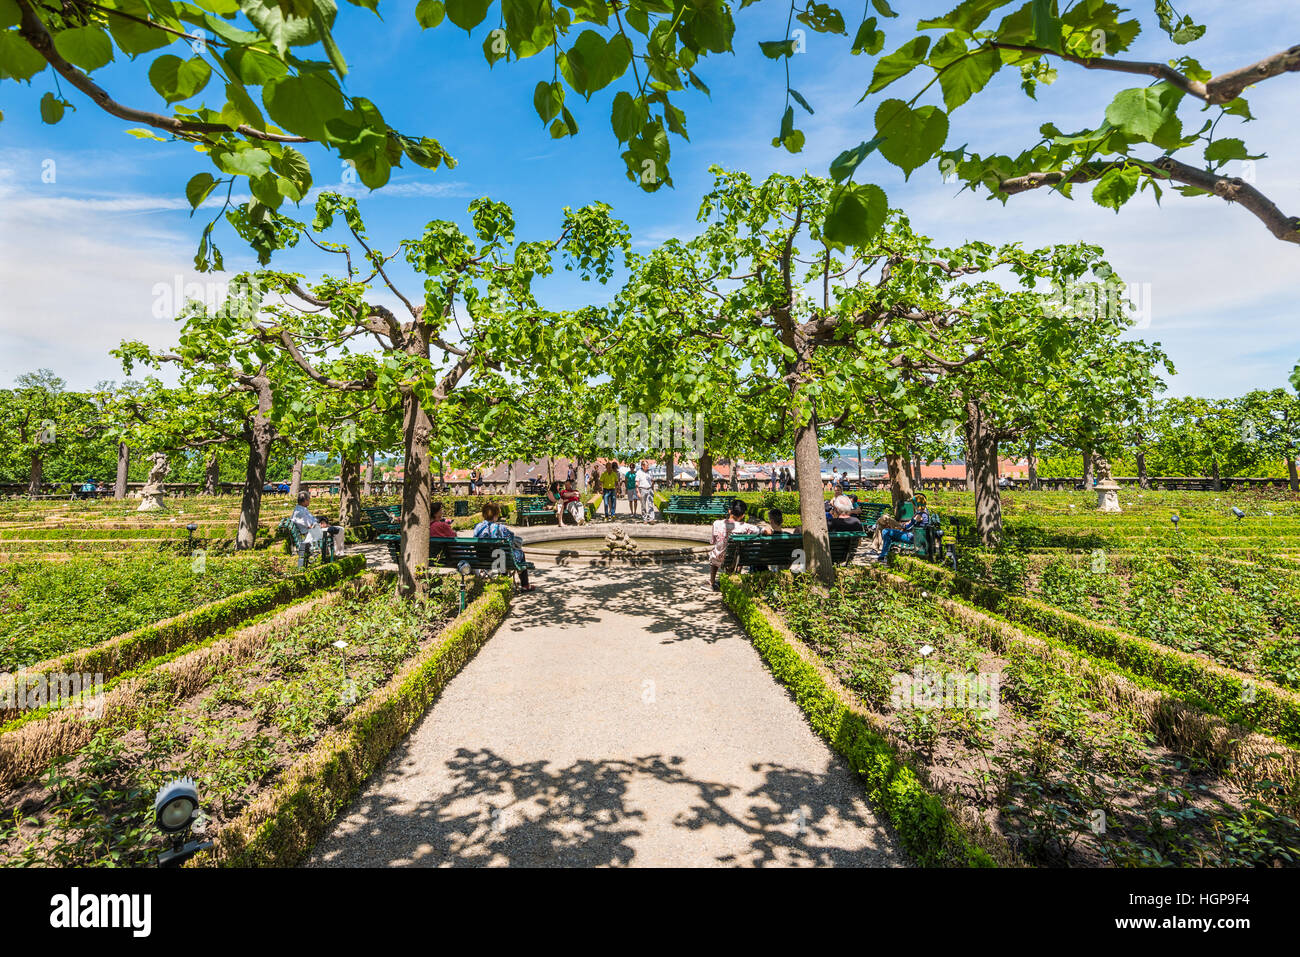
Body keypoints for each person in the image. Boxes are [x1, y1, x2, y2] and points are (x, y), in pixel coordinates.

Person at [473, 501, 535, 591]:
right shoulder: (500, 528)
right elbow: (511, 538)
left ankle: (503, 577)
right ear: (495, 515)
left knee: (501, 553)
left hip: (482, 558)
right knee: (520, 553)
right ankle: (525, 584)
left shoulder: (477, 527)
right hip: (500, 560)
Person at [708, 500, 760, 591]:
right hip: (735, 560)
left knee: (715, 552)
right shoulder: (746, 527)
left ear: (729, 511)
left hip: (718, 557)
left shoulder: (717, 523)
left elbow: (713, 541)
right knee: (739, 552)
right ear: (743, 515)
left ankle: (712, 582)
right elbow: (764, 530)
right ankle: (732, 578)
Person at [290, 490, 342, 567]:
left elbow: (311, 522)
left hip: (313, 531)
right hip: (312, 533)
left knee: (336, 528)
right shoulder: (300, 512)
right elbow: (310, 525)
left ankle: (333, 554)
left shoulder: (301, 509)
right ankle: (336, 554)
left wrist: (322, 523)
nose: (309, 501)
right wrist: (321, 525)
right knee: (339, 530)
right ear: (304, 501)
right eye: (309, 499)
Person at [878, 493, 930, 563]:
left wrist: (900, 525)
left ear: (917, 504)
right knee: (888, 533)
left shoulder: (919, 515)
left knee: (885, 531)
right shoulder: (925, 512)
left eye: (913, 504)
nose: (913, 505)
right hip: (916, 536)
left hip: (912, 537)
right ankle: (884, 555)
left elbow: (907, 527)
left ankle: (883, 555)